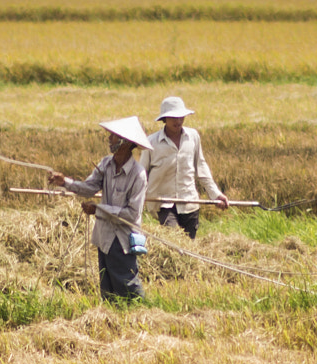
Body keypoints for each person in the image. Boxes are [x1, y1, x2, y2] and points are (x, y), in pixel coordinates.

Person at [49, 116, 152, 301]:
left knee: (128, 287)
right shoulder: (106, 164)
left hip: (123, 240)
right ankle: (113, 320)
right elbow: (90, 187)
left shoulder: (138, 175)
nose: (109, 139)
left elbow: (131, 214)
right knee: (108, 289)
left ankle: (141, 317)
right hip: (104, 237)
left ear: (125, 142)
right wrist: (64, 182)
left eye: (113, 136)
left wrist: (98, 210)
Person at [143, 96, 228, 239]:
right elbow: (141, 173)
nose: (178, 121)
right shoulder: (151, 143)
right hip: (163, 203)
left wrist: (216, 194)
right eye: (173, 117)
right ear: (164, 119)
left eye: (181, 117)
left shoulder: (193, 136)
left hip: (189, 201)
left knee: (190, 245)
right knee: (174, 240)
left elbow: (200, 166)